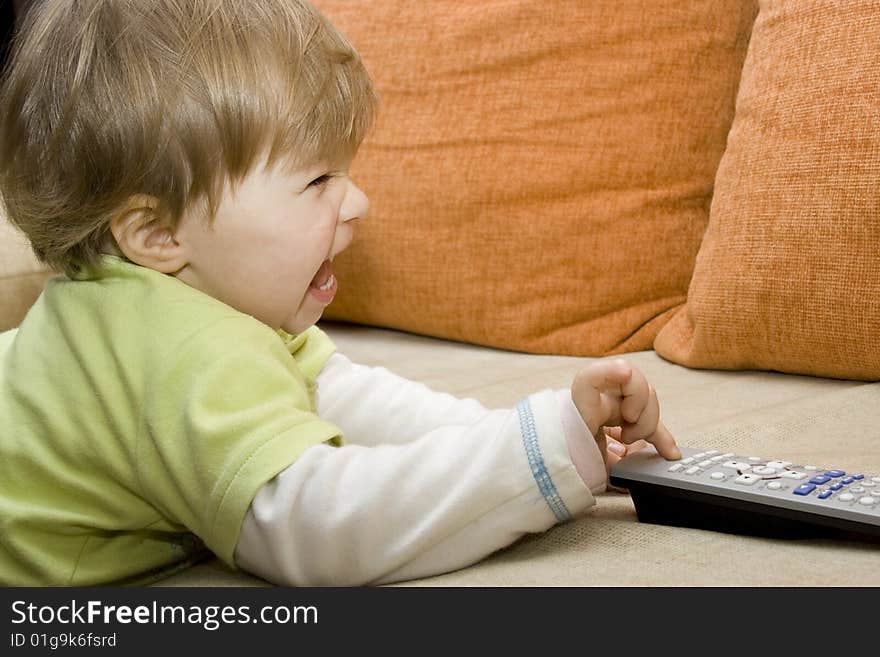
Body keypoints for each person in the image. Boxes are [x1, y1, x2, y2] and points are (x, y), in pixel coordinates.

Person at [0, 0, 681, 586]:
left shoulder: (190, 307)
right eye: (316, 181)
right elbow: (311, 524)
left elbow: (354, 400)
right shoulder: (178, 348)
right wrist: (541, 456)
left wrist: (549, 425)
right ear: (156, 231)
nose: (357, 203)